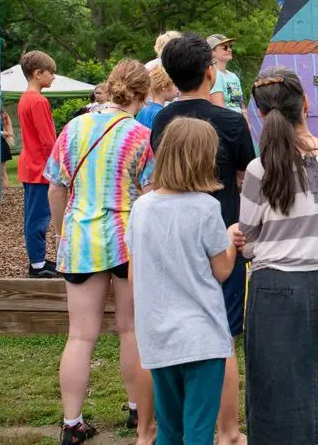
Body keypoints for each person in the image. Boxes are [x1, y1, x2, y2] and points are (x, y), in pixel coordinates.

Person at [240, 67, 318, 442]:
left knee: (272, 389)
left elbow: (249, 236)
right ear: (305, 104)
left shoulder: (260, 169)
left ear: (261, 115)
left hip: (274, 286)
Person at [43, 60, 155, 445]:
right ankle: (138, 408)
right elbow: (151, 192)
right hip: (128, 240)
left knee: (80, 336)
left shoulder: (73, 128)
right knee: (131, 329)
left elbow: (55, 188)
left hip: (80, 238)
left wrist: (61, 232)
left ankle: (71, 424)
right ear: (141, 95)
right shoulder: (141, 135)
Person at [152, 34, 255, 445]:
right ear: (210, 71)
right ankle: (228, 432)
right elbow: (251, 175)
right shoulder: (231, 121)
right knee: (223, 337)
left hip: (173, 242)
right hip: (222, 241)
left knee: (176, 333)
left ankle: (169, 428)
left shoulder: (162, 120)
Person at [126, 117, 239, 445]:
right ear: (205, 159)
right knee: (199, 431)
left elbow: (136, 273)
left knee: (169, 428)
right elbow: (222, 270)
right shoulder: (206, 208)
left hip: (158, 336)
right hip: (201, 337)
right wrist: (231, 239)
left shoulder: (142, 208)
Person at [17, 50, 59, 278]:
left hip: (30, 165)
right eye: (51, 72)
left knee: (35, 216)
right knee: (39, 218)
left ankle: (38, 260)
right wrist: (60, 164)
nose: (53, 76)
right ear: (38, 73)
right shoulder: (39, 101)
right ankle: (37, 265)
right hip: (39, 169)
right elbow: (47, 140)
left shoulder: (25, 98)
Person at [208, 34, 246, 115]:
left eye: (230, 46)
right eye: (225, 47)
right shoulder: (213, 75)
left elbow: (242, 106)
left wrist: (247, 124)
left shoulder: (233, 76)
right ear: (212, 52)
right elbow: (219, 109)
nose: (229, 50)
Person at [135, 65, 178, 130]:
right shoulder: (161, 114)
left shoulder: (142, 109)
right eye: (174, 84)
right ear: (164, 87)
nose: (177, 88)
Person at [0, 109, 14, 188]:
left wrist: (0, 132)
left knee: (2, 175)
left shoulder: (3, 115)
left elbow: (10, 133)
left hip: (0, 146)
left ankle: (6, 194)